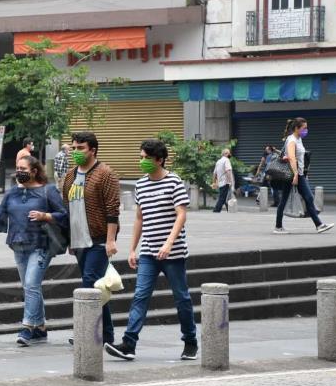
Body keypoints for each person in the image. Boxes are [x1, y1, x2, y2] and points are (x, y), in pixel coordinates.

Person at [105, 138, 198, 361]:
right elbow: (139, 218)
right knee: (140, 296)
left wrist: (168, 243)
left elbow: (181, 215)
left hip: (173, 253)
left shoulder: (174, 182)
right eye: (141, 157)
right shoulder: (141, 184)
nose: (142, 161)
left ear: (160, 159)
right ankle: (129, 344)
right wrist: (132, 249)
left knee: (181, 298)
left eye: (147, 158)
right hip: (148, 252)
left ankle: (190, 341)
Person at [0, 155, 67, 346]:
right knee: (30, 287)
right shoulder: (12, 193)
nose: (19, 172)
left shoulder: (48, 191)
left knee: (31, 285)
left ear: (34, 171)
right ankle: (40, 328)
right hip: (18, 246)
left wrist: (45, 215)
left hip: (41, 246)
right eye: (17, 168)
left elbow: (63, 215)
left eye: (23, 169)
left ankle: (27, 327)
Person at [62, 131, 121, 346]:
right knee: (97, 288)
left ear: (93, 150)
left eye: (81, 148)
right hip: (78, 240)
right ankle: (106, 335)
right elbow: (67, 207)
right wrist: (70, 238)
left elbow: (112, 209)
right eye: (74, 148)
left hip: (98, 239)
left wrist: (111, 240)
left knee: (89, 285)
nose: (76, 152)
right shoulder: (70, 176)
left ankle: (85, 332)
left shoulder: (106, 174)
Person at [274, 117, 334, 235]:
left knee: (308, 198)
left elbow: (300, 157)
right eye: (304, 128)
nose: (306, 130)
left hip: (299, 174)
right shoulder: (292, 140)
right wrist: (296, 174)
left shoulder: (298, 139)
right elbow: (291, 158)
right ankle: (278, 227)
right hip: (291, 174)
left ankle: (319, 225)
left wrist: (302, 173)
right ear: (297, 128)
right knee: (286, 200)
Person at [212, 148, 234, 213]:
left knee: (224, 197)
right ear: (225, 154)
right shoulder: (226, 160)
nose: (230, 154)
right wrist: (230, 181)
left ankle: (229, 209)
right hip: (225, 182)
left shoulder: (218, 161)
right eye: (229, 153)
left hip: (220, 182)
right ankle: (216, 210)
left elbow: (214, 173)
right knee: (222, 197)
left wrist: (214, 182)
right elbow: (228, 171)